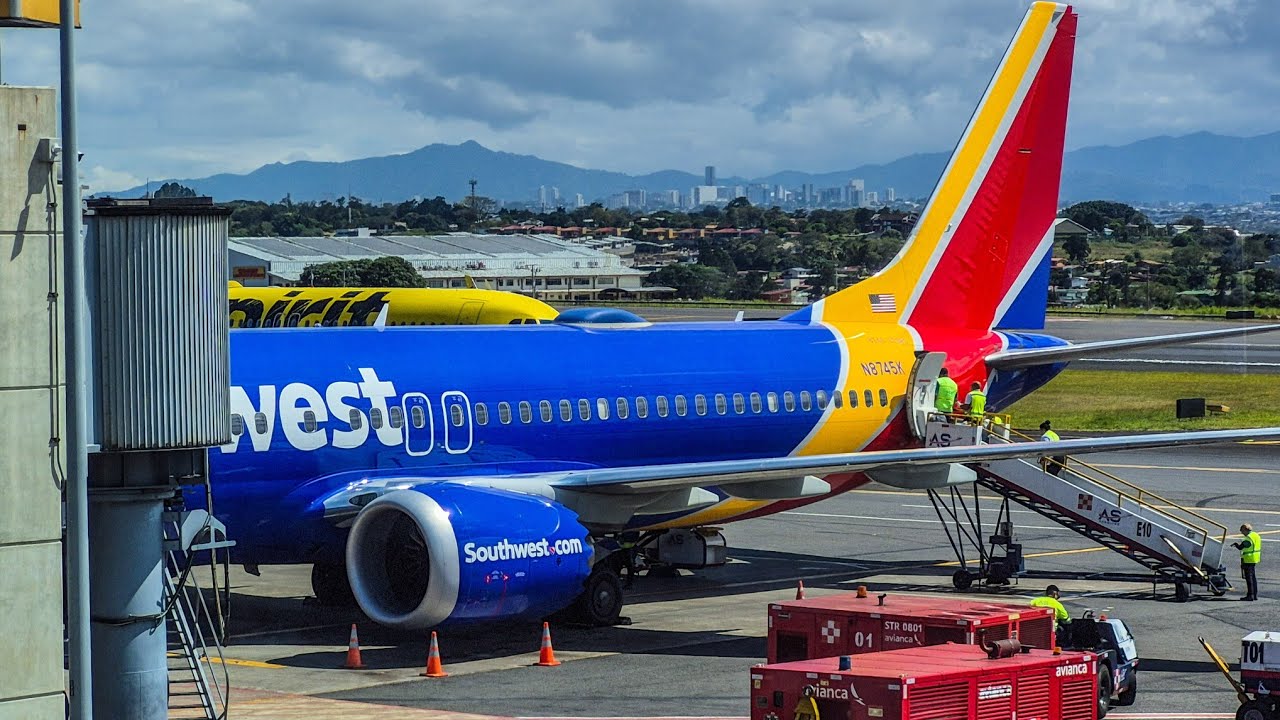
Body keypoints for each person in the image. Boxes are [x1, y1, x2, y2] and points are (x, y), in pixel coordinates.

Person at [1232, 523, 1262, 601]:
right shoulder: (1255, 535)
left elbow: (1241, 547)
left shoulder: (1248, 538)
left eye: (1242, 531)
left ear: (1245, 529)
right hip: (1254, 558)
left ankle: (1250, 595)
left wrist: (1236, 544)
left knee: (1249, 578)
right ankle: (1254, 595)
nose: (1242, 533)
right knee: (1253, 577)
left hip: (1248, 559)